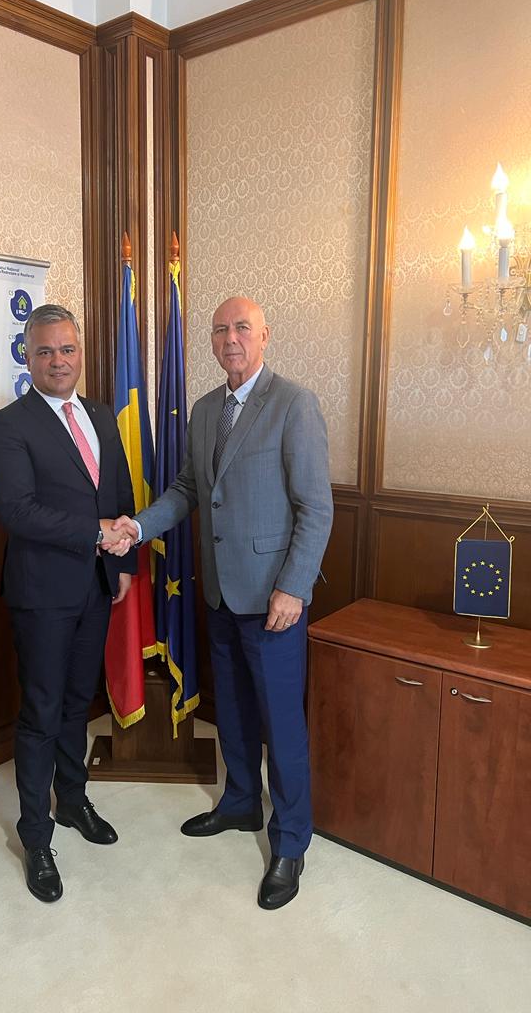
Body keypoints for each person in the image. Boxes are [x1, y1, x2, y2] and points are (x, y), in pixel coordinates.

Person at [112, 296, 333, 910]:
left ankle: (291, 840)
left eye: (242, 327)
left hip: (273, 598)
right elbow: (188, 488)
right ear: (211, 341)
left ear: (264, 335)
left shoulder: (294, 404)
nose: (230, 338)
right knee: (232, 710)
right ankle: (239, 803)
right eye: (220, 330)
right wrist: (137, 526)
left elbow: (316, 508)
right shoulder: (206, 409)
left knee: (281, 725)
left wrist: (294, 587)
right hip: (219, 591)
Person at [0, 303, 135, 904]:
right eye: (45, 351)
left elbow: (117, 491)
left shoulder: (98, 414)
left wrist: (121, 564)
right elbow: (17, 511)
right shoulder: (9, 424)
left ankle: (72, 801)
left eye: (67, 349)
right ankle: (35, 836)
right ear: (27, 357)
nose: (58, 361)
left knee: (78, 704)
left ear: (80, 353)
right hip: (42, 594)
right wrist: (97, 534)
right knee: (42, 712)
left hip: (96, 586)